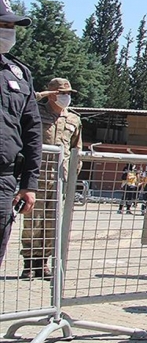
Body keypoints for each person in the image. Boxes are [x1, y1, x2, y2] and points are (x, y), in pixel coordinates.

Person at [20, 77, 82, 279]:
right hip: (36, 176)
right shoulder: (36, 112)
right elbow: (23, 102)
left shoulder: (73, 119)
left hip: (59, 178)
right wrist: (43, 95)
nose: (66, 97)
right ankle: (29, 263)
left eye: (69, 94)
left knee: (52, 224)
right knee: (33, 222)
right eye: (62, 93)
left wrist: (73, 176)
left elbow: (76, 149)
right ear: (52, 94)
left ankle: (43, 264)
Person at [0, 0, 41, 268]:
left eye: (10, 26)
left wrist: (29, 184)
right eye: (2, 25)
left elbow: (32, 130)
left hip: (3, 180)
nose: (8, 31)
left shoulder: (19, 73)